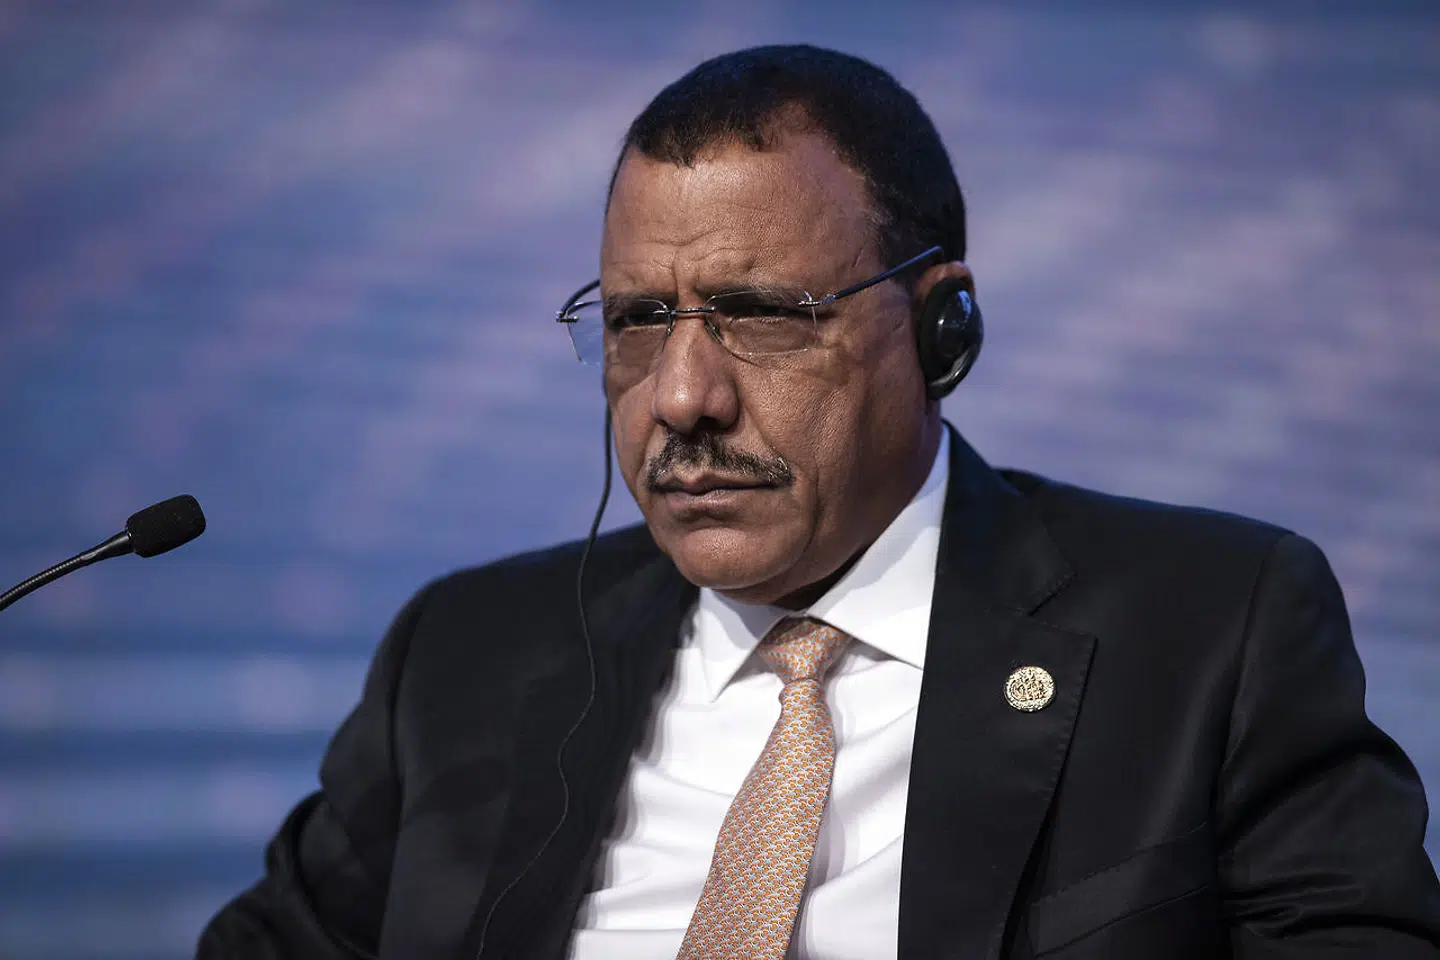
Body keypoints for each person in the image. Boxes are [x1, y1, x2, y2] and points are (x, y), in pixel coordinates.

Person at [198, 45, 1440, 959]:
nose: (682, 397)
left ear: (941, 328)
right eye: (638, 321)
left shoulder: (1210, 633)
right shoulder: (464, 658)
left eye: (760, 316)